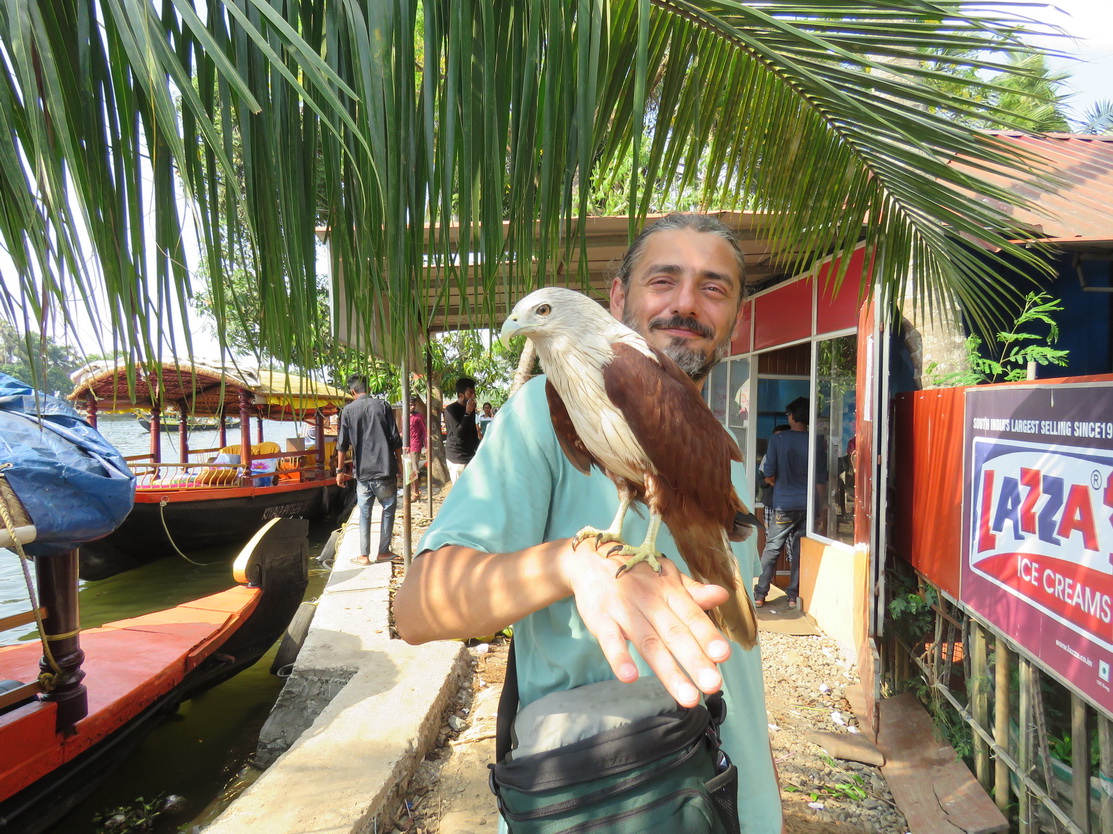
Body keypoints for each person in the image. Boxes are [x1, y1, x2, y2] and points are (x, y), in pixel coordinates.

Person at [395, 214, 782, 832]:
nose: (686, 302)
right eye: (664, 279)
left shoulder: (720, 448)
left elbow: (740, 670)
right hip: (593, 805)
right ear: (618, 298)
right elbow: (414, 610)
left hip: (730, 801)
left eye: (714, 287)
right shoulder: (541, 412)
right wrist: (571, 563)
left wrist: (765, 794)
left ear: (734, 315)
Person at [754, 397, 826, 609]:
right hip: (807, 505)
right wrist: (819, 509)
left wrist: (781, 482)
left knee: (772, 548)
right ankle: (793, 596)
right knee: (799, 550)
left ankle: (760, 594)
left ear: (792, 416)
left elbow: (769, 475)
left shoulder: (779, 439)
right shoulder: (817, 441)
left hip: (783, 505)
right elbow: (820, 482)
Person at [335, 374, 403, 565]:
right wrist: (399, 464)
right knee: (388, 508)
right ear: (369, 389)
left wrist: (340, 471)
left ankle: (364, 555)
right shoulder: (383, 405)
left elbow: (342, 444)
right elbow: (395, 438)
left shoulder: (347, 411)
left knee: (365, 512)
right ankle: (383, 552)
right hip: (385, 469)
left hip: (363, 473)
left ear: (352, 392)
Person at [442, 377, 479, 482]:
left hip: (470, 455)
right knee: (459, 493)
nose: (473, 396)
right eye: (470, 393)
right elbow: (459, 433)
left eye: (474, 393)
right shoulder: (450, 410)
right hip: (457, 458)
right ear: (461, 395)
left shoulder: (472, 407)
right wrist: (467, 413)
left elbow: (472, 431)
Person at [406, 395, 427, 502]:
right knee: (407, 469)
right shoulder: (404, 416)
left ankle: (416, 493)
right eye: (411, 405)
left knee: (414, 470)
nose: (413, 407)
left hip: (415, 445)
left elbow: (424, 432)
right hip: (406, 446)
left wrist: (427, 446)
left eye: (414, 405)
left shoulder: (418, 416)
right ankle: (412, 492)